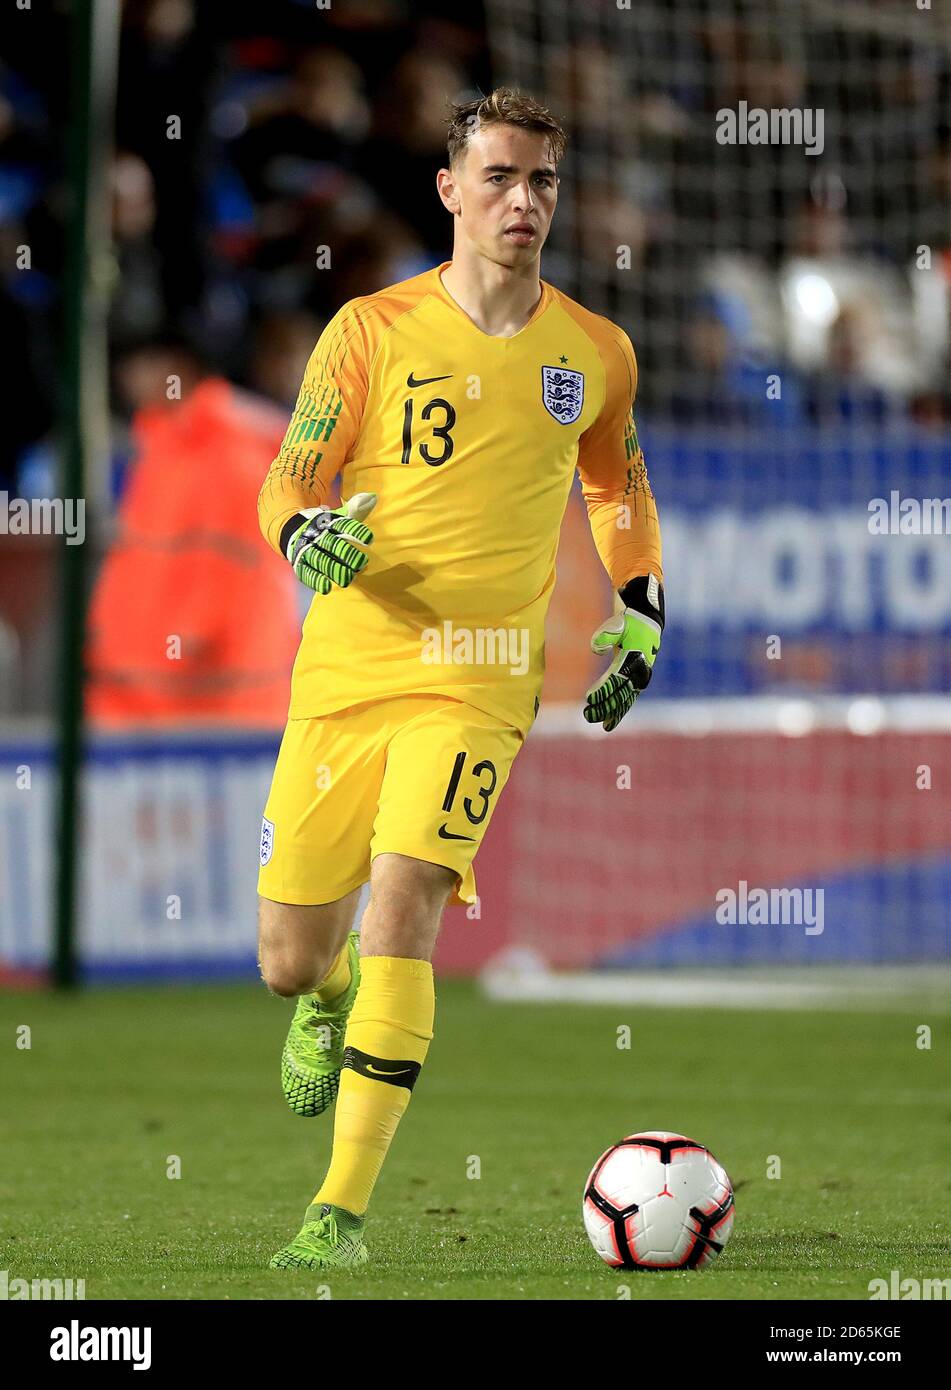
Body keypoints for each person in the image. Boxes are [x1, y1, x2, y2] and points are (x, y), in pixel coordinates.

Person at [256, 87, 664, 1269]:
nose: (523, 200)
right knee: (290, 955)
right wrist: (301, 536)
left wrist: (638, 610)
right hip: (347, 667)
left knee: (406, 903)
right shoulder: (369, 331)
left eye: (542, 180)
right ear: (449, 189)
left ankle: (337, 1213)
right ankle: (322, 999)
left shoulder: (595, 351)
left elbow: (617, 487)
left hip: (483, 678)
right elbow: (292, 474)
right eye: (499, 177)